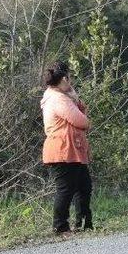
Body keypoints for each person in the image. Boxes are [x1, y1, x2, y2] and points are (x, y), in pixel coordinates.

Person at [40, 61, 93, 234]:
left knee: (83, 185)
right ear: (64, 78)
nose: (71, 82)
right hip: (63, 150)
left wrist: (74, 97)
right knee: (66, 189)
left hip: (70, 150)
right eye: (70, 78)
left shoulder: (58, 96)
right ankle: (60, 226)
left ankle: (84, 223)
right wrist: (74, 98)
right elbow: (82, 121)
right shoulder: (59, 99)